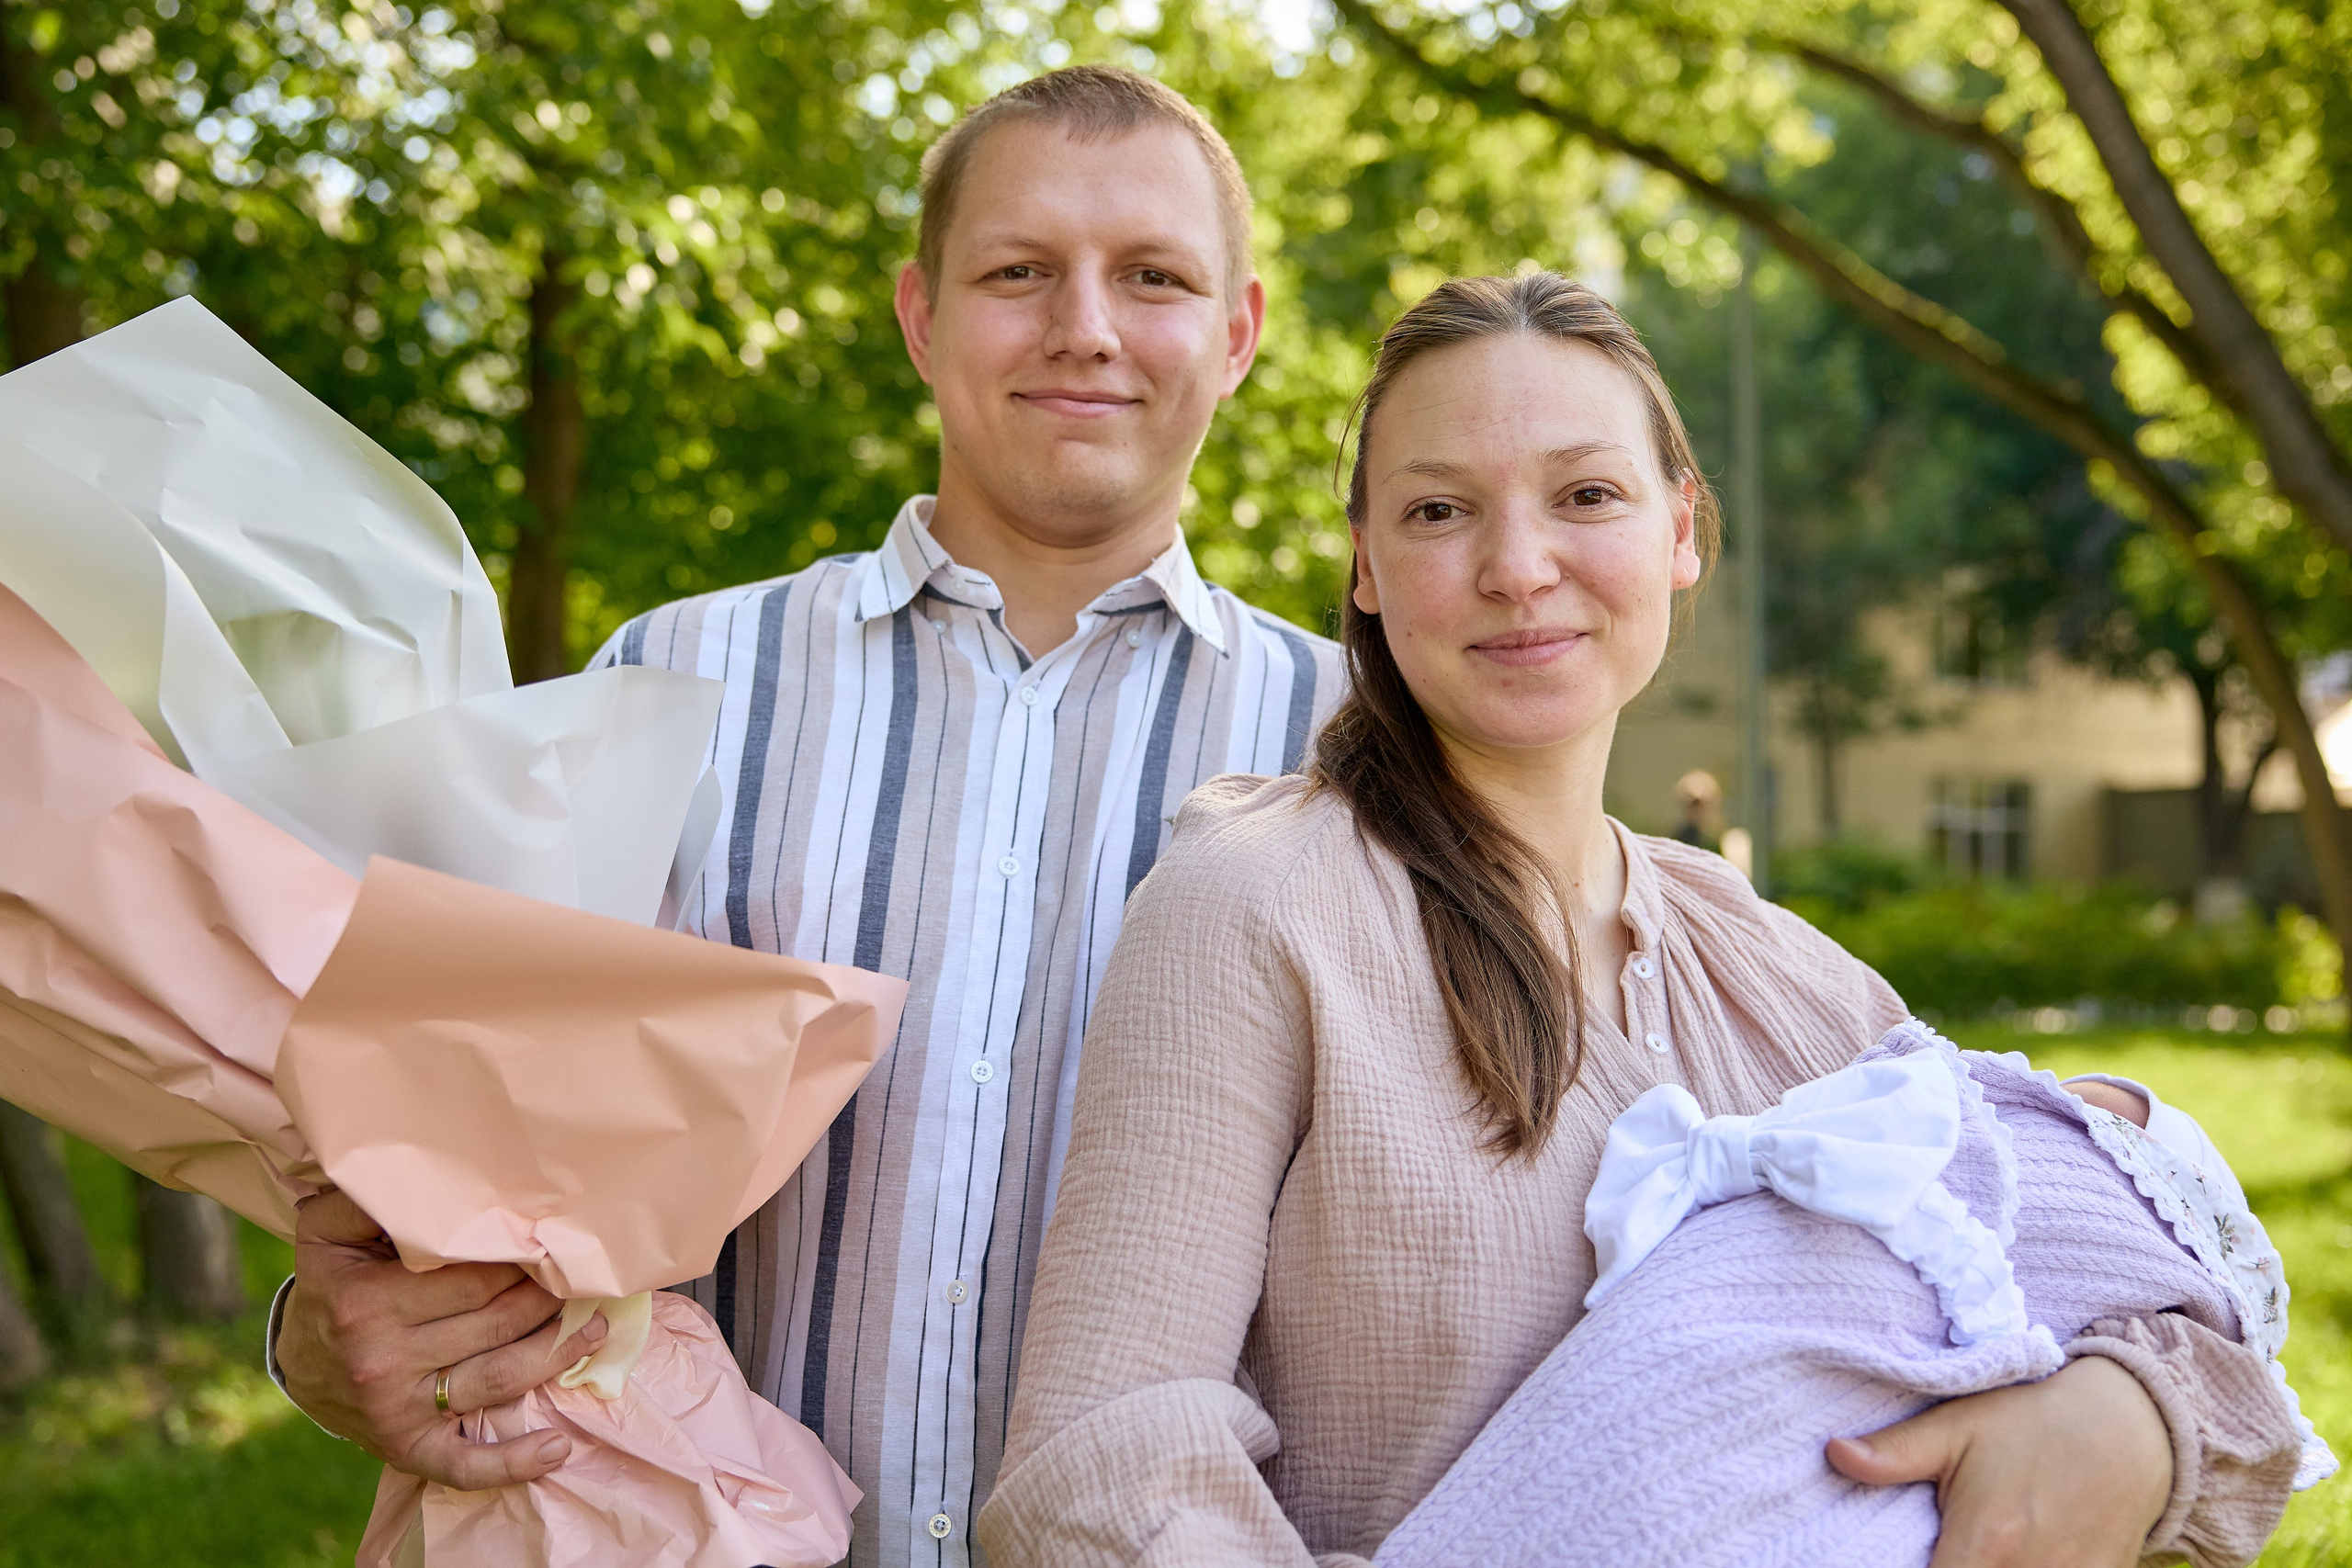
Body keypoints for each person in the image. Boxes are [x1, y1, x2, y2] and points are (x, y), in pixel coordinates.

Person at [979, 273, 2302, 1566]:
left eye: (1586, 495)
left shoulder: (1791, 980)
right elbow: (1107, 1460)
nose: (1517, 566)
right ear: (1369, 567)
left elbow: (2130, 1288)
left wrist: (2127, 1416)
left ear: (1681, 531)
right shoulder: (1262, 907)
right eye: (1439, 510)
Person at [267, 65, 1344, 1565]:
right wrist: (328, 1341)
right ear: (920, 315)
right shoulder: (668, 679)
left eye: (1151, 277)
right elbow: (450, 1167)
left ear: (1237, 332)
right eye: (1017, 271)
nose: (1084, 326)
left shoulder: (1361, 747)